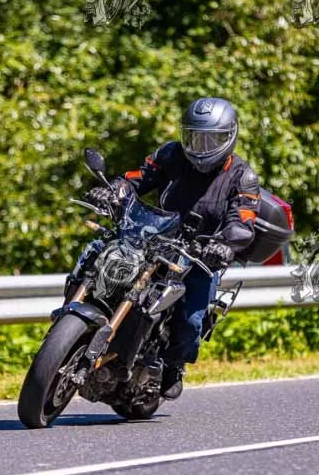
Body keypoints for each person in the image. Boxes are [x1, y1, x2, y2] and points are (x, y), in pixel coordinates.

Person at [87, 97, 261, 400]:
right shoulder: (171, 154)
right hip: (155, 236)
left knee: (191, 320)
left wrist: (223, 245)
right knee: (100, 258)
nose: (201, 147)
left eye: (211, 140)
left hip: (200, 254)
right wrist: (114, 191)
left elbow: (243, 220)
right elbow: (138, 178)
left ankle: (173, 365)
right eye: (194, 137)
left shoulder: (242, 177)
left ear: (230, 136)